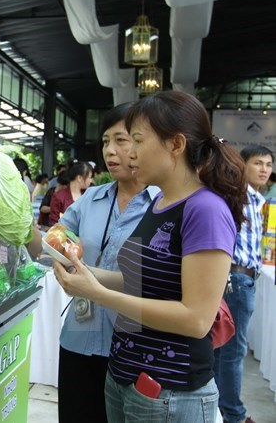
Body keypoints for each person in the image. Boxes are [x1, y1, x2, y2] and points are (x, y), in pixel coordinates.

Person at [53, 91, 247, 423]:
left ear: (176, 144)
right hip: (127, 378)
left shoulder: (205, 209)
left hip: (169, 391)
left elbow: (196, 319)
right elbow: (138, 282)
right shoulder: (161, 203)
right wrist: (87, 275)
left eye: (137, 141)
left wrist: (99, 295)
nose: (130, 153)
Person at [56, 103, 160, 423]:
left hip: (133, 349)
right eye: (104, 141)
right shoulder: (92, 197)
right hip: (78, 337)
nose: (109, 151)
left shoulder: (165, 205)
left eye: (121, 140)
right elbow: (56, 237)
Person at [215, 145, 273, 423]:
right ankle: (234, 415)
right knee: (233, 352)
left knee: (226, 348)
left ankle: (221, 409)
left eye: (268, 164)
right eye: (258, 163)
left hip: (245, 277)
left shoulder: (258, 200)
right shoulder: (237, 197)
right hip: (236, 279)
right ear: (243, 166)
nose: (264, 169)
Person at [48, 160, 94, 225]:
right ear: (79, 178)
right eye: (89, 177)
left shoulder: (89, 195)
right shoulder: (58, 197)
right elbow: (54, 222)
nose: (91, 181)